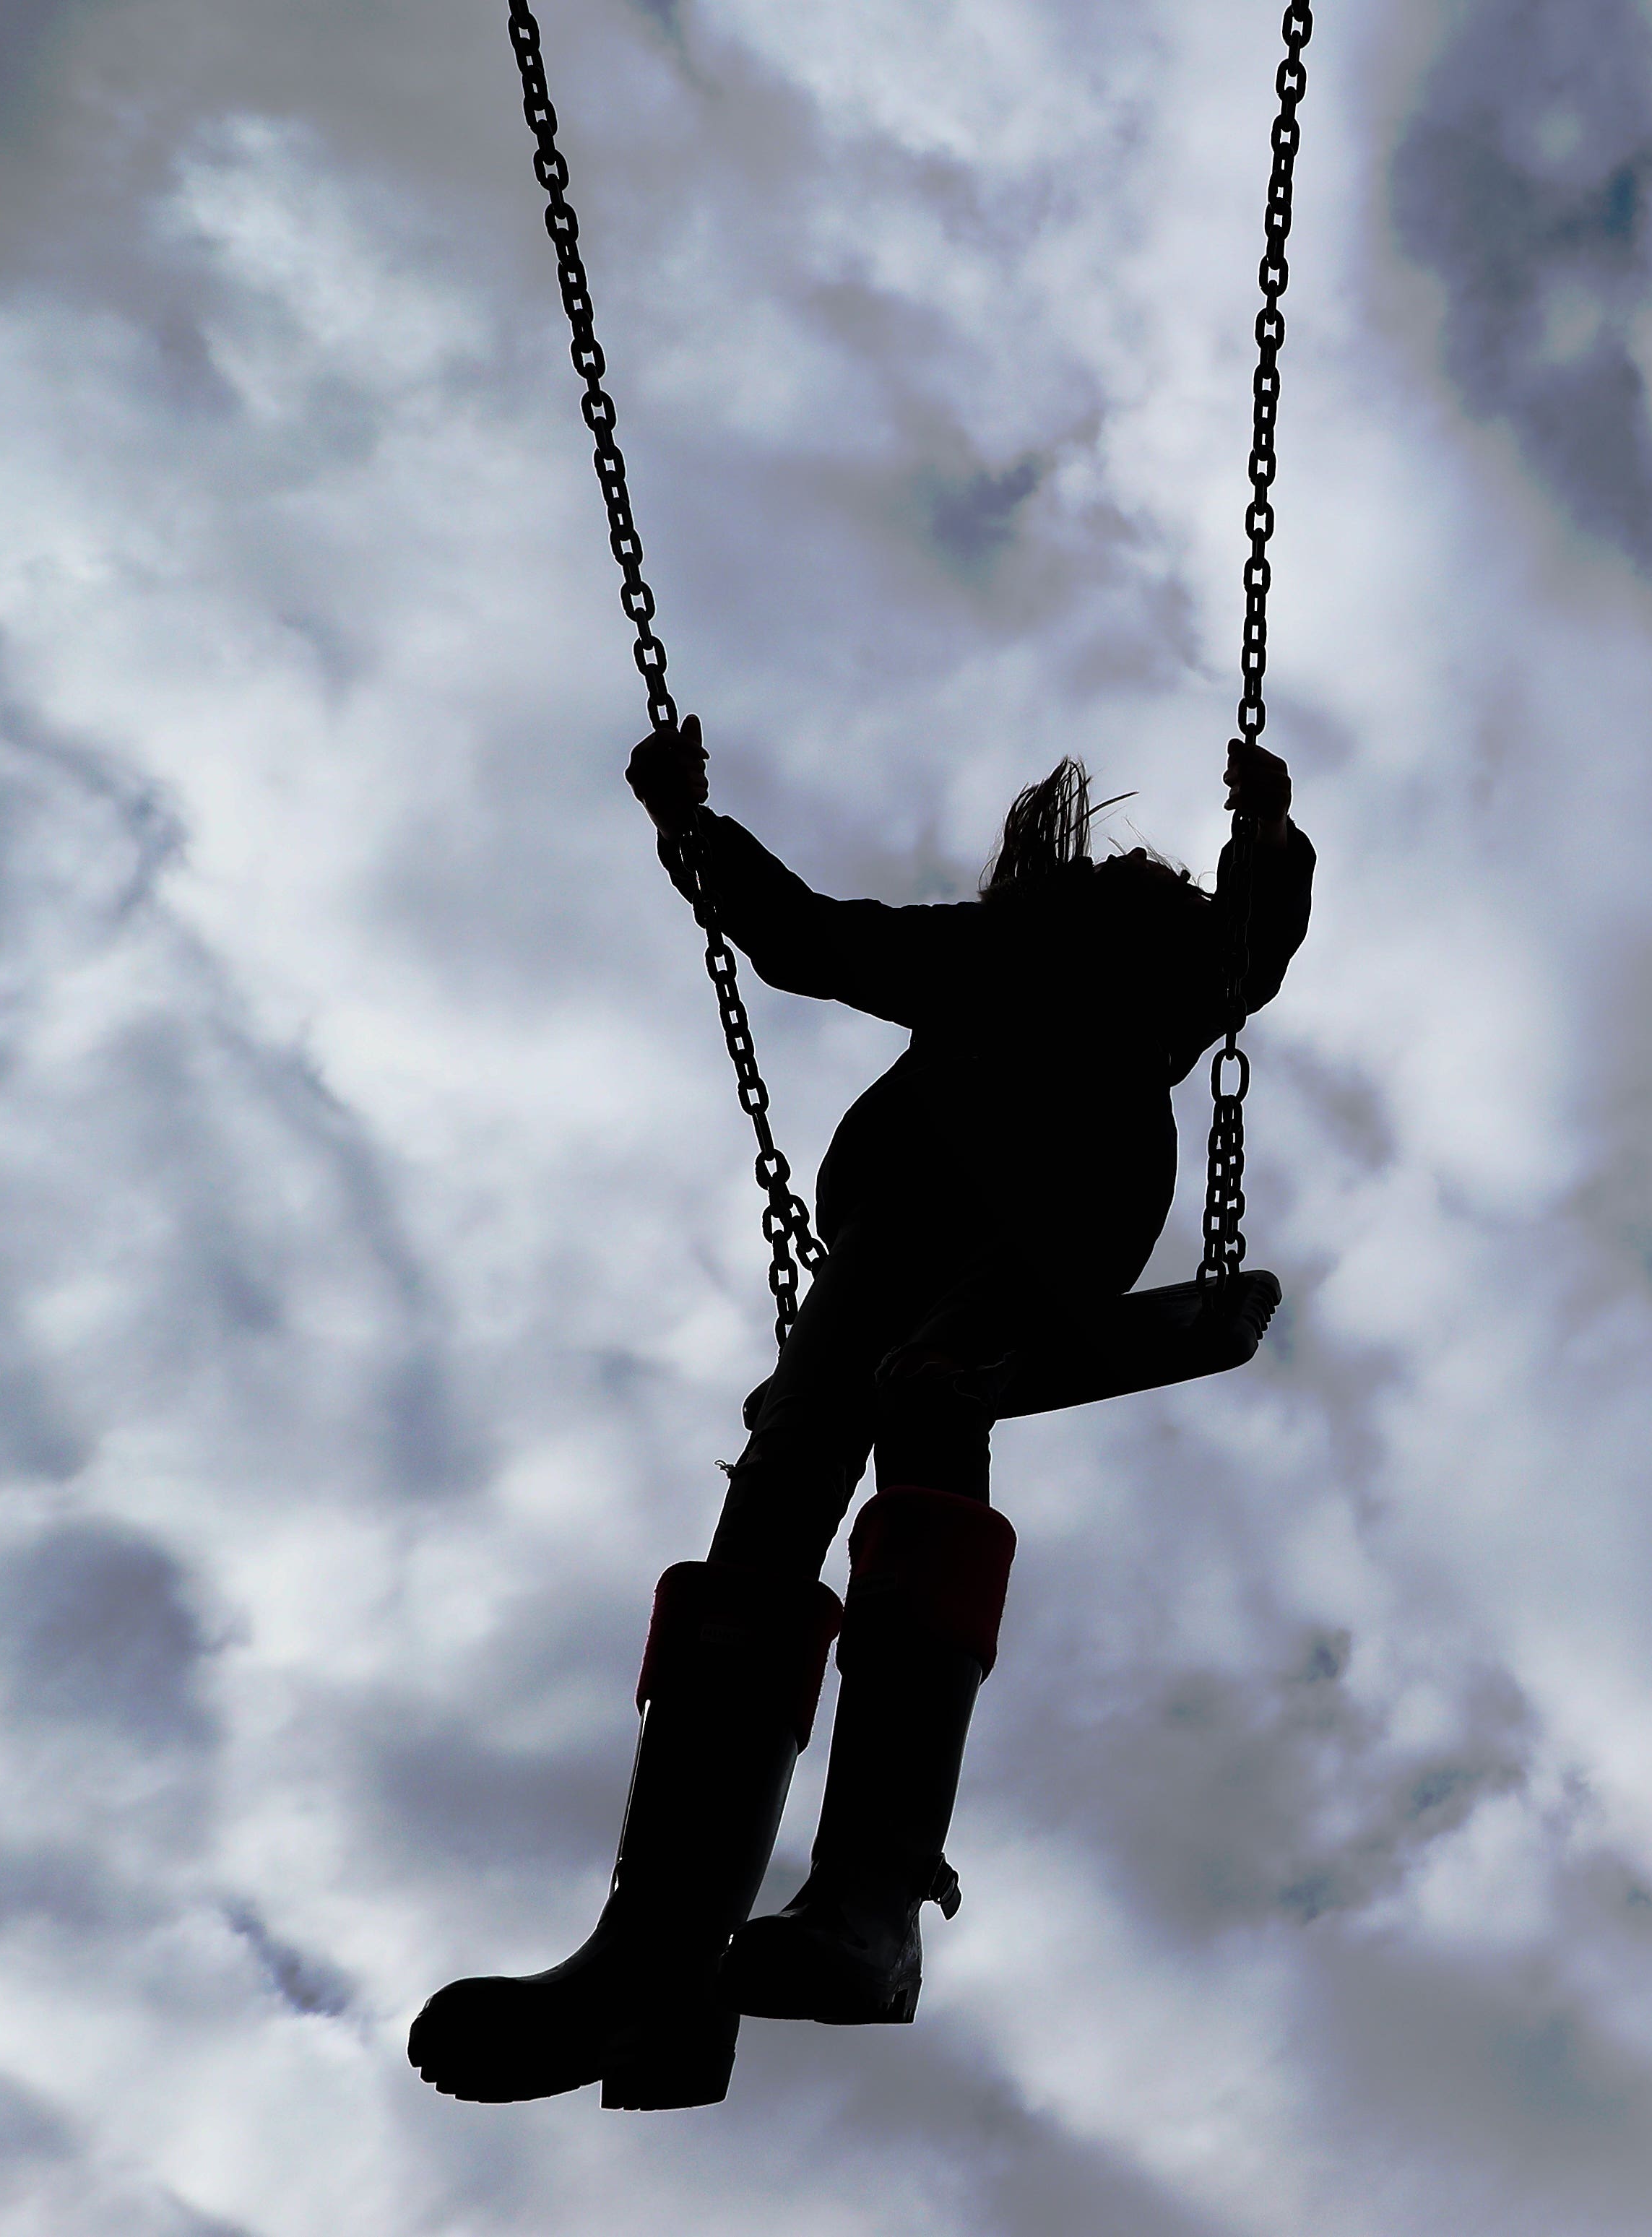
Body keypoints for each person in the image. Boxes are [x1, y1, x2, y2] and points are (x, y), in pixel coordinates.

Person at [410, 723, 1312, 2107]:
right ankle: (651, 1952)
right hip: (884, 1252)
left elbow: (1254, 943)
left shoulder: (1159, 985)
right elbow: (802, 936)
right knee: (777, 1485)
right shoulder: (979, 955)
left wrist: (1266, 837)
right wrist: (689, 826)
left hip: (1044, 1234)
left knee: (927, 1395)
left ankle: (868, 1904)